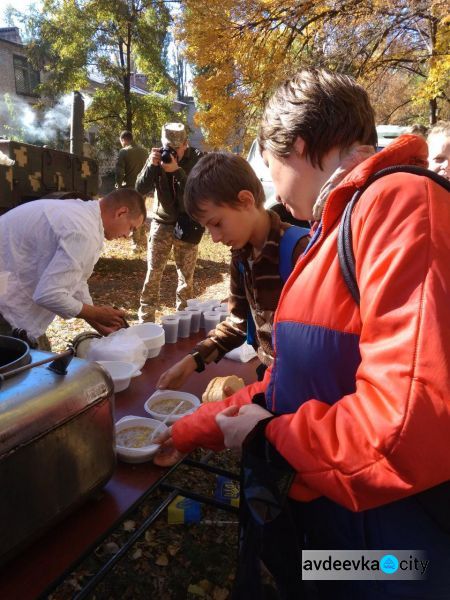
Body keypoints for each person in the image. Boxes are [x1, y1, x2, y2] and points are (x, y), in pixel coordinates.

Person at [156, 69, 450, 598]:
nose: (273, 186)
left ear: (296, 146)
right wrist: (188, 431)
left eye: (269, 166)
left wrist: (270, 436)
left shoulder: (398, 204)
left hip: (396, 552)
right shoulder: (334, 228)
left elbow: (406, 424)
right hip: (339, 531)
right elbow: (293, 379)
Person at [156, 152, 310, 391]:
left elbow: (318, 341)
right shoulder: (242, 257)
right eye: (207, 229)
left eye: (217, 223)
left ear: (246, 200)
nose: (215, 238)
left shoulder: (299, 252)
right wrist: (191, 361)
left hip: (304, 388)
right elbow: (238, 322)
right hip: (271, 377)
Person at [0, 188, 145, 349]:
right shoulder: (82, 231)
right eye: (131, 228)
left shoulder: (83, 215)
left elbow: (76, 280)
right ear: (121, 212)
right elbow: (48, 295)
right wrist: (97, 313)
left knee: (39, 355)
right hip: (5, 305)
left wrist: (96, 322)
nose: (127, 235)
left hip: (8, 291)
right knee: (23, 368)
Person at [136, 122, 205, 322]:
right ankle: (145, 320)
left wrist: (177, 171)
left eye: (176, 149)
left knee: (186, 279)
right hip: (162, 223)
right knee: (153, 274)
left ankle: (183, 320)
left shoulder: (197, 160)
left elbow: (198, 192)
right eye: (168, 148)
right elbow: (140, 187)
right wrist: (151, 165)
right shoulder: (157, 157)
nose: (172, 153)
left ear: (185, 144)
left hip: (187, 224)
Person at [115, 130, 148, 252]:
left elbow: (119, 172)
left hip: (130, 189)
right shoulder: (144, 151)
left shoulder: (124, 152)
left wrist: (118, 186)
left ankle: (136, 243)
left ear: (123, 139)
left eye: (121, 141)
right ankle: (143, 240)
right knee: (142, 212)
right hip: (143, 188)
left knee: (133, 214)